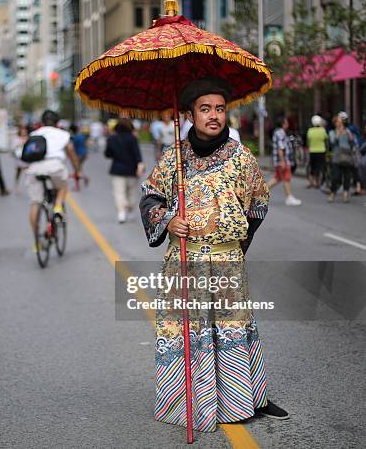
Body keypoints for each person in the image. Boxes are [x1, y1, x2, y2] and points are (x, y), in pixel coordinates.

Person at [140, 77, 288, 433]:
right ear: (190, 114)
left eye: (220, 109)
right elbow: (150, 197)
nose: (214, 116)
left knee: (234, 328)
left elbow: (259, 203)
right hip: (184, 263)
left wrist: (236, 239)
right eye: (205, 109)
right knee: (188, 331)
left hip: (226, 261)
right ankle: (188, 400)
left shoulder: (241, 157)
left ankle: (246, 399)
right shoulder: (174, 156)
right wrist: (168, 220)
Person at [25, 110, 80, 249]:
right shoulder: (63, 134)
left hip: (34, 169)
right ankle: (57, 208)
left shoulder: (34, 134)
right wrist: (77, 170)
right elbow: (72, 155)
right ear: (57, 122)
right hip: (55, 168)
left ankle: (37, 241)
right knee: (63, 187)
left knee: (35, 203)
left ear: (42, 122)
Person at [104, 118, 144, 223]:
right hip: (132, 169)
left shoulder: (112, 138)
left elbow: (108, 154)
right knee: (132, 191)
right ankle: (130, 210)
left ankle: (121, 213)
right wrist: (140, 165)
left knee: (119, 192)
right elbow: (137, 154)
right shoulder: (133, 138)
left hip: (117, 169)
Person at [267, 116, 302, 206]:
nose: (287, 124)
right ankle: (289, 197)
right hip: (282, 160)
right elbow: (280, 148)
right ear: (283, 124)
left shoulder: (280, 132)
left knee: (277, 178)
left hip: (280, 160)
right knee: (286, 178)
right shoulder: (280, 133)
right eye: (286, 122)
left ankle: (259, 194)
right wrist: (283, 161)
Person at [328, 114, 355, 203]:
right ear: (335, 123)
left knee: (347, 176)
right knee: (336, 177)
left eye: (341, 122)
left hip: (347, 157)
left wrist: (350, 136)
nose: (340, 124)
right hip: (336, 157)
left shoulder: (347, 131)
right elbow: (332, 143)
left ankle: (345, 194)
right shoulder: (332, 132)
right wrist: (338, 134)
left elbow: (352, 143)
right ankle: (332, 193)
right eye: (338, 122)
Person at [306, 115, 328, 188]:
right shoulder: (323, 130)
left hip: (312, 151)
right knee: (320, 167)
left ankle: (312, 182)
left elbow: (308, 141)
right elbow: (326, 140)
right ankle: (318, 182)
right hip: (321, 151)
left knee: (312, 167)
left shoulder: (310, 131)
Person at [70, 123, 90, 187]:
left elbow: (72, 147)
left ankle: (83, 180)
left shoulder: (75, 137)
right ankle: (79, 183)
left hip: (78, 155)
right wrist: (87, 153)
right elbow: (86, 144)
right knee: (79, 168)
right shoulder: (82, 135)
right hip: (84, 153)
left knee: (77, 170)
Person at [13, 125, 30, 193]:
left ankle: (29, 186)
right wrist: (21, 143)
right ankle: (17, 186)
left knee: (28, 173)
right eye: (22, 132)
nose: (23, 133)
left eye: (25, 132)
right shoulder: (17, 139)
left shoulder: (28, 138)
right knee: (18, 172)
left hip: (27, 157)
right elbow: (14, 147)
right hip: (19, 157)